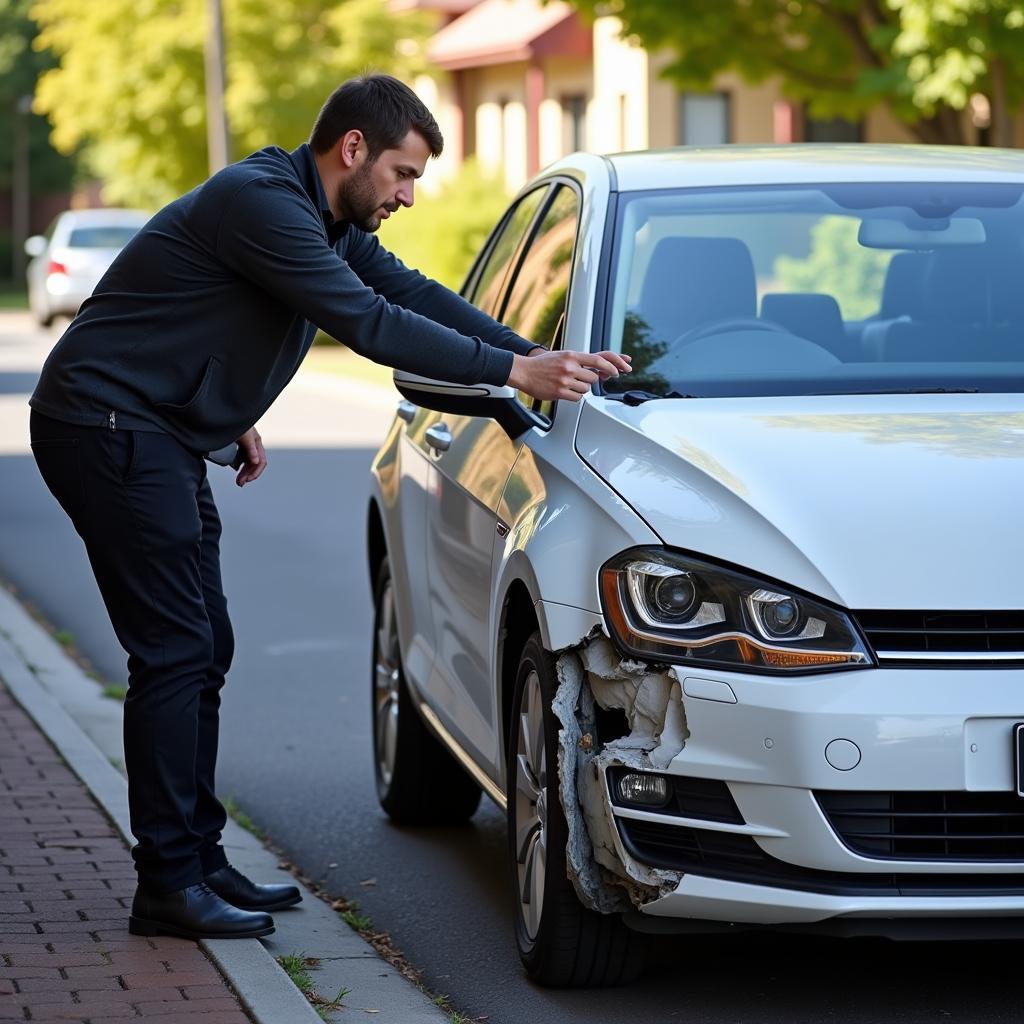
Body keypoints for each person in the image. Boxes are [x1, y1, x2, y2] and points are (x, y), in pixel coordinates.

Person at [28, 73, 631, 940]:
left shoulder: (326, 219)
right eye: (402, 173)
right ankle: (168, 880)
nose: (408, 196)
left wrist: (536, 351)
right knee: (175, 649)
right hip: (107, 424)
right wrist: (511, 376)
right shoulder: (263, 202)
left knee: (204, 645)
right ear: (352, 149)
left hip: (150, 425)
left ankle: (196, 858)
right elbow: (369, 323)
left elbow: (412, 294)